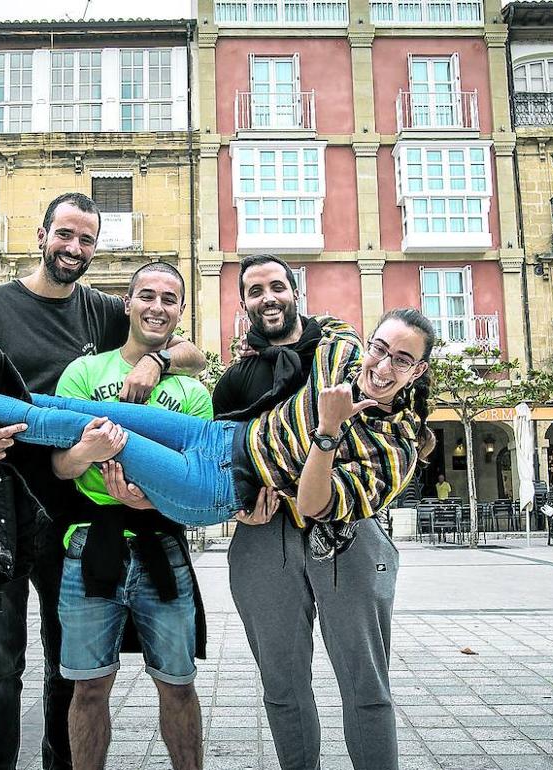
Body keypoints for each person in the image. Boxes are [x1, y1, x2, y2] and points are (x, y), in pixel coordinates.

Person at [0, 191, 205, 770]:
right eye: (65, 235)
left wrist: (157, 362)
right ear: (42, 234)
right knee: (0, 666)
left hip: (62, 508)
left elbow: (185, 346)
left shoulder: (100, 309)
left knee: (63, 664)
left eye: (87, 240)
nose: (74, 248)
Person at [0, 308, 435, 538]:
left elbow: (313, 507)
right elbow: (303, 322)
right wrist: (255, 343)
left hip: (221, 488)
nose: (382, 366)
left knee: (93, 436)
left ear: (418, 370)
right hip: (219, 437)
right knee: (62, 409)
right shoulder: (343, 353)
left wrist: (328, 433)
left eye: (401, 360)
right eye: (382, 348)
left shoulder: (397, 448)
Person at [214, 254, 415, 770]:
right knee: (282, 684)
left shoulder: (336, 345)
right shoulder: (237, 376)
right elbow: (222, 460)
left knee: (365, 682)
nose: (268, 297)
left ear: (295, 291)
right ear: (244, 304)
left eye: (277, 285)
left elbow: (381, 371)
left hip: (348, 528)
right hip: (265, 532)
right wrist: (237, 509)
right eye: (255, 290)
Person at [52, 262, 210, 770]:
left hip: (161, 544)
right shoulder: (84, 374)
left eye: (169, 299)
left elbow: (198, 476)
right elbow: (59, 464)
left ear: (180, 311)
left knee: (178, 686)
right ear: (128, 303)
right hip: (89, 546)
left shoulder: (193, 393)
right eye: (147, 295)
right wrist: (87, 453)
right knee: (89, 687)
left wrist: (155, 501)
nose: (156, 306)